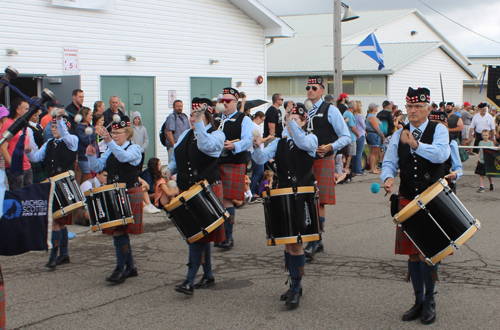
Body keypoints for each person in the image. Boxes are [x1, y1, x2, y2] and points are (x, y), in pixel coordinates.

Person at [381, 87, 451, 325]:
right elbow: (389, 162)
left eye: (418, 107)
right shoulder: (399, 133)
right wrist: (388, 178)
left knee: (427, 253)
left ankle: (430, 300)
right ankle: (418, 300)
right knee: (412, 254)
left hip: (433, 198)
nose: (412, 111)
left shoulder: (439, 129)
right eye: (409, 107)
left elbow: (441, 155)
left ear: (428, 109)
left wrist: (416, 145)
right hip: (408, 197)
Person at [252, 102, 318, 307]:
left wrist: (290, 121)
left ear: (304, 121)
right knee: (288, 243)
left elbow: (300, 141)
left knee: (296, 243)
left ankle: (297, 288)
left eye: (296, 120)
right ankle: (293, 285)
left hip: (303, 196)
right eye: (290, 120)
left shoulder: (311, 138)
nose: (291, 124)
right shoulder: (279, 142)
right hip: (284, 194)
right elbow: (261, 158)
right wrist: (255, 146)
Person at [166, 98, 226, 295]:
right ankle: (207, 275)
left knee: (196, 237)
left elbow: (206, 147)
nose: (192, 119)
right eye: (192, 115)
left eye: (196, 115)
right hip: (187, 188)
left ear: (207, 115)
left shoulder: (217, 134)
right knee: (200, 235)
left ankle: (189, 281)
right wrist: (167, 171)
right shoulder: (184, 135)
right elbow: (177, 159)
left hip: (207, 189)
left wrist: (200, 123)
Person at [86, 116, 142, 284]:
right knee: (120, 232)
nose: (114, 135)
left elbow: (123, 157)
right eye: (113, 132)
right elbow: (97, 168)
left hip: (129, 192)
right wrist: (91, 156)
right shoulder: (110, 150)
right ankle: (130, 267)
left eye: (118, 133)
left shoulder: (135, 149)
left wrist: (109, 141)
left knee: (119, 232)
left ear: (128, 134)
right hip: (113, 193)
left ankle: (120, 269)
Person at [302, 77, 350, 259]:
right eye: (308, 87)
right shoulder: (304, 110)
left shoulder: (331, 110)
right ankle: (317, 239)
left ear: (322, 90)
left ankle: (314, 241)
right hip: (305, 160)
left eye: (314, 88)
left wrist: (330, 146)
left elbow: (346, 136)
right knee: (307, 199)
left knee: (318, 200)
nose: (310, 90)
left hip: (323, 159)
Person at [25, 112, 79, 269]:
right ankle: (64, 254)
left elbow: (65, 134)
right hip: (52, 185)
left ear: (65, 127)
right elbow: (36, 158)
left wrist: (60, 119)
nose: (53, 128)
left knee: (56, 222)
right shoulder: (49, 142)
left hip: (66, 185)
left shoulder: (72, 141)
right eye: (52, 125)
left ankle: (53, 256)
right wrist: (28, 151)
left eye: (56, 126)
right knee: (59, 222)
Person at [213, 88, 253, 249]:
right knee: (217, 198)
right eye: (222, 100)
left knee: (227, 198)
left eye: (228, 101)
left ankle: (228, 237)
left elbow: (248, 140)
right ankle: (220, 234)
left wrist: (234, 145)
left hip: (234, 162)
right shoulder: (215, 119)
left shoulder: (244, 119)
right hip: (215, 163)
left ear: (236, 102)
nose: (224, 103)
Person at [0, 98, 33, 190]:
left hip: (26, 165)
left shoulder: (23, 124)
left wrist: (28, 148)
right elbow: (3, 148)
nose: (29, 111)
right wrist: (13, 166)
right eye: (26, 109)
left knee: (28, 196)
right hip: (16, 166)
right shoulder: (9, 124)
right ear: (18, 110)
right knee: (18, 197)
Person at [250, 111, 271, 201]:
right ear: (258, 117)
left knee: (256, 172)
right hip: (257, 151)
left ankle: (252, 191)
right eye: (262, 120)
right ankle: (253, 191)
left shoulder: (252, 125)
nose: (262, 122)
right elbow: (258, 140)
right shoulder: (255, 126)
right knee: (258, 172)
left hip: (256, 151)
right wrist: (268, 138)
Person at [75, 107, 98, 183]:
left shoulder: (91, 126)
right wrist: (95, 133)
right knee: (87, 178)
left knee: (93, 178)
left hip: (93, 157)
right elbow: (86, 141)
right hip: (85, 158)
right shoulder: (79, 128)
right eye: (90, 115)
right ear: (84, 115)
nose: (91, 117)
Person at [27, 109, 46, 183]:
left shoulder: (38, 126)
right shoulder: (28, 128)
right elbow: (32, 144)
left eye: (38, 115)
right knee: (37, 182)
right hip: (35, 156)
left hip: (41, 155)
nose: (37, 117)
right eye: (35, 115)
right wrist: (38, 154)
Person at [365, 103, 385, 174]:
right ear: (374, 108)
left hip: (374, 135)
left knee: (373, 152)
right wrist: (382, 135)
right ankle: (372, 168)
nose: (377, 108)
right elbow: (376, 128)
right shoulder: (372, 117)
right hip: (374, 135)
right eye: (376, 107)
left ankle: (373, 168)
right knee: (374, 153)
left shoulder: (372, 116)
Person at [342, 101, 359, 173]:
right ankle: (346, 168)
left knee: (345, 154)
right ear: (353, 106)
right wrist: (357, 134)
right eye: (355, 105)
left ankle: (343, 168)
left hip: (345, 136)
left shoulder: (345, 113)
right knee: (350, 154)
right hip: (351, 137)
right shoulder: (350, 114)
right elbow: (352, 127)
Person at [353, 101, 366, 175]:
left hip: (355, 135)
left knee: (354, 153)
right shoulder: (359, 115)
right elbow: (364, 126)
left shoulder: (353, 115)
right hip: (360, 134)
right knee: (359, 153)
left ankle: (354, 169)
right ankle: (359, 170)